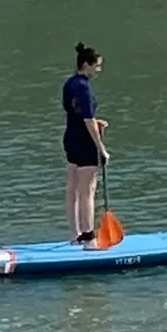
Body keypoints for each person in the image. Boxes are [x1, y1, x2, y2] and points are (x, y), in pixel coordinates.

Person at [61, 43, 110, 248]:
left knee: (72, 188)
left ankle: (75, 235)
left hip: (70, 139)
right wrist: (102, 149)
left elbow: (75, 113)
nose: (98, 71)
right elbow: (88, 120)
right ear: (87, 64)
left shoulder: (69, 83)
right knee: (88, 190)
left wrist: (94, 122)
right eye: (96, 66)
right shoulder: (84, 88)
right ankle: (89, 239)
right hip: (85, 143)